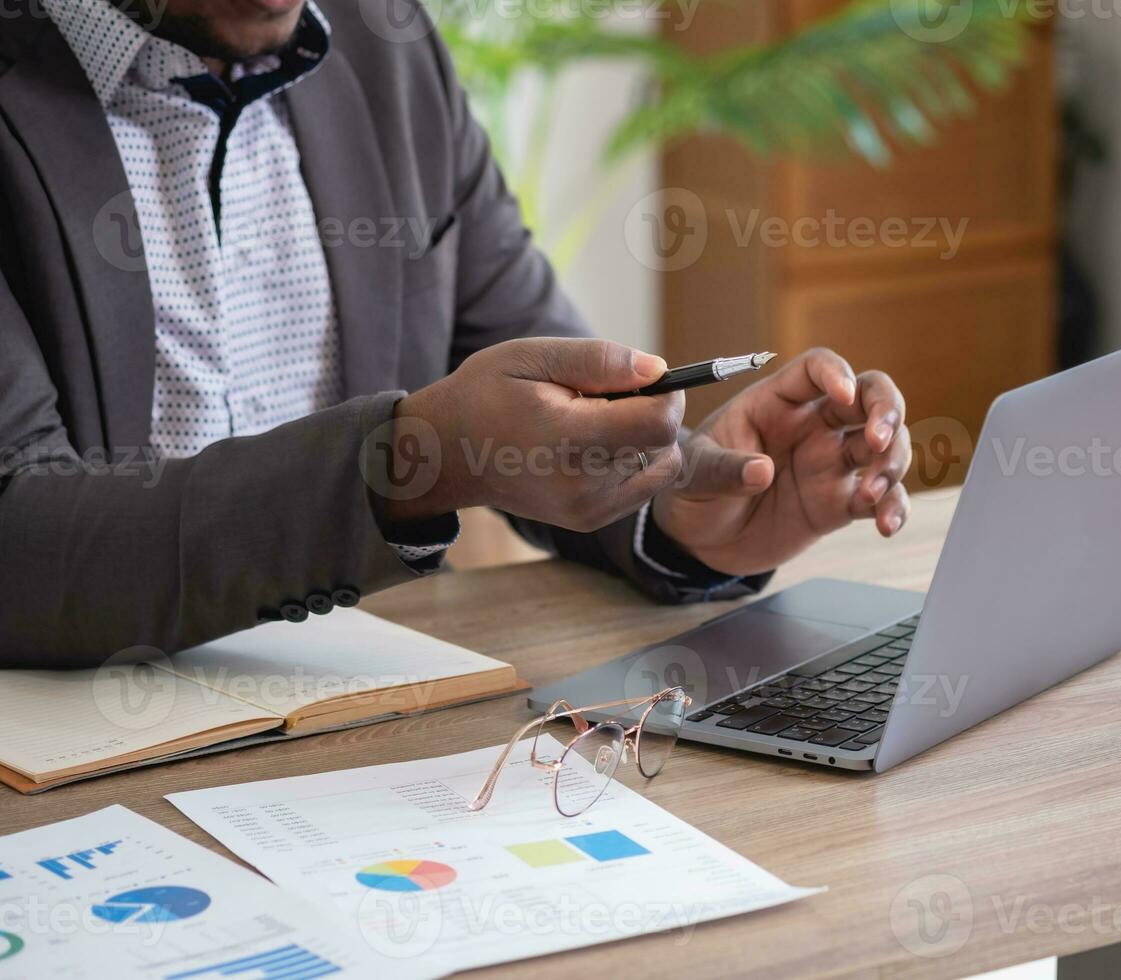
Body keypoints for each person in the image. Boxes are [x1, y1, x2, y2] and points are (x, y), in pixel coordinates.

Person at [0, 0, 914, 669]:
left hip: (370, 734)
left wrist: (683, 517)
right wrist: (415, 462)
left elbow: (548, 396)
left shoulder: (385, 48)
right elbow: (23, 542)